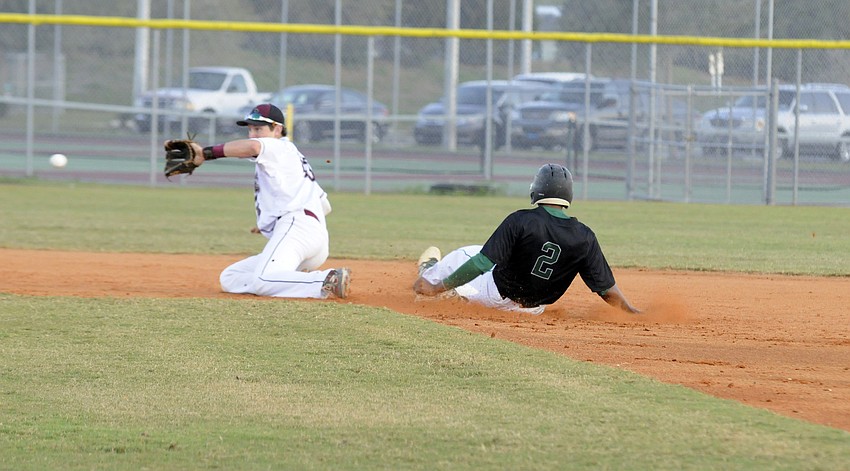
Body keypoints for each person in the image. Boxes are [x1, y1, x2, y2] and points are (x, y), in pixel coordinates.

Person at [169, 103, 349, 299]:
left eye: (259, 128)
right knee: (231, 277)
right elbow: (324, 205)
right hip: (312, 236)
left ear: (277, 129)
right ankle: (292, 281)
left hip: (298, 229)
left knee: (264, 280)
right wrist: (275, 221)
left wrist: (206, 153)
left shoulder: (277, 146)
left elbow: (252, 147)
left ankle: (325, 280)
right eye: (250, 129)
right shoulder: (290, 156)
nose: (253, 134)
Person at [413, 163, 639, 315]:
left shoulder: (521, 220)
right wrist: (633, 313)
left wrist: (437, 288)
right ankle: (460, 294)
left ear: (538, 189)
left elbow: (482, 263)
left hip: (495, 295)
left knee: (465, 254)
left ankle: (430, 277)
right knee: (482, 258)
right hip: (532, 310)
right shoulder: (585, 236)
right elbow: (605, 289)